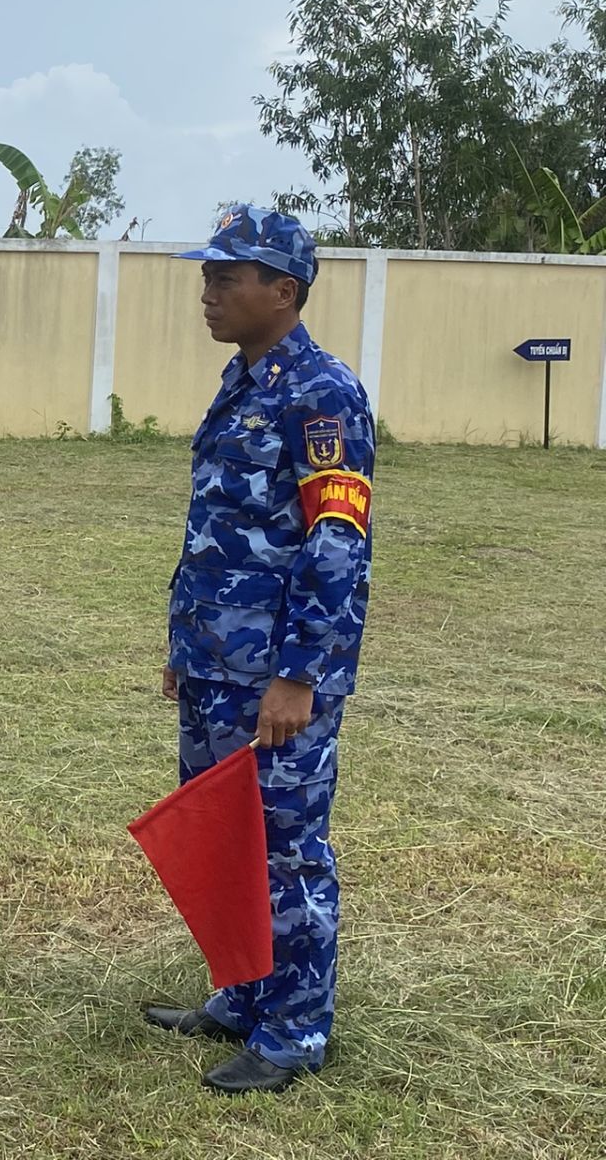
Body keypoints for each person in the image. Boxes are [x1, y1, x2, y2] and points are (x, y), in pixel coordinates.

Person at [146, 204, 375, 1094]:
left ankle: (295, 1030)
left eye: (226, 278)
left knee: (285, 846)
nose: (207, 292)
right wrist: (185, 644)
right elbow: (219, 530)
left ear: (283, 291)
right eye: (207, 276)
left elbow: (335, 544)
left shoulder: (323, 394)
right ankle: (243, 994)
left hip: (275, 676)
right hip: (216, 662)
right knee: (225, 840)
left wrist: (299, 676)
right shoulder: (244, 382)